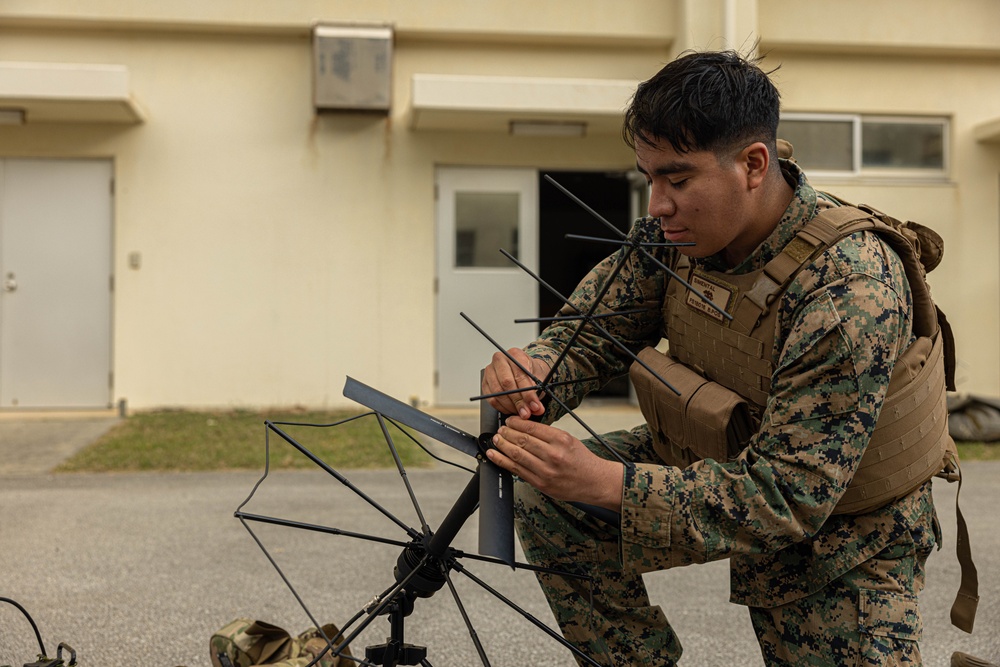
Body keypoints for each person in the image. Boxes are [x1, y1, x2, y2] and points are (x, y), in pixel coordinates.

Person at [481, 50, 945, 666]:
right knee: (550, 493)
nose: (657, 205)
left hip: (843, 531)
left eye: (678, 180)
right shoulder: (673, 240)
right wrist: (533, 374)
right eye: (648, 179)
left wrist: (608, 484)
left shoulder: (848, 287)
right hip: (724, 458)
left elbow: (790, 494)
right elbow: (588, 336)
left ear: (754, 164)